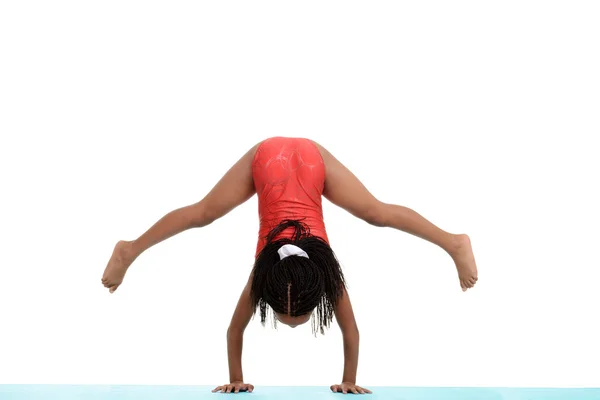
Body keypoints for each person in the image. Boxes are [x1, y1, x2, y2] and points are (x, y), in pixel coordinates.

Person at [101, 136, 478, 395]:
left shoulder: (301, 276)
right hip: (283, 161)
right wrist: (238, 380)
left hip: (289, 162)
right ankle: (129, 250)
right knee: (204, 213)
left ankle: (453, 243)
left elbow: (238, 330)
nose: (293, 325)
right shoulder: (279, 276)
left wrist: (239, 379)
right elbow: (239, 331)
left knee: (375, 212)